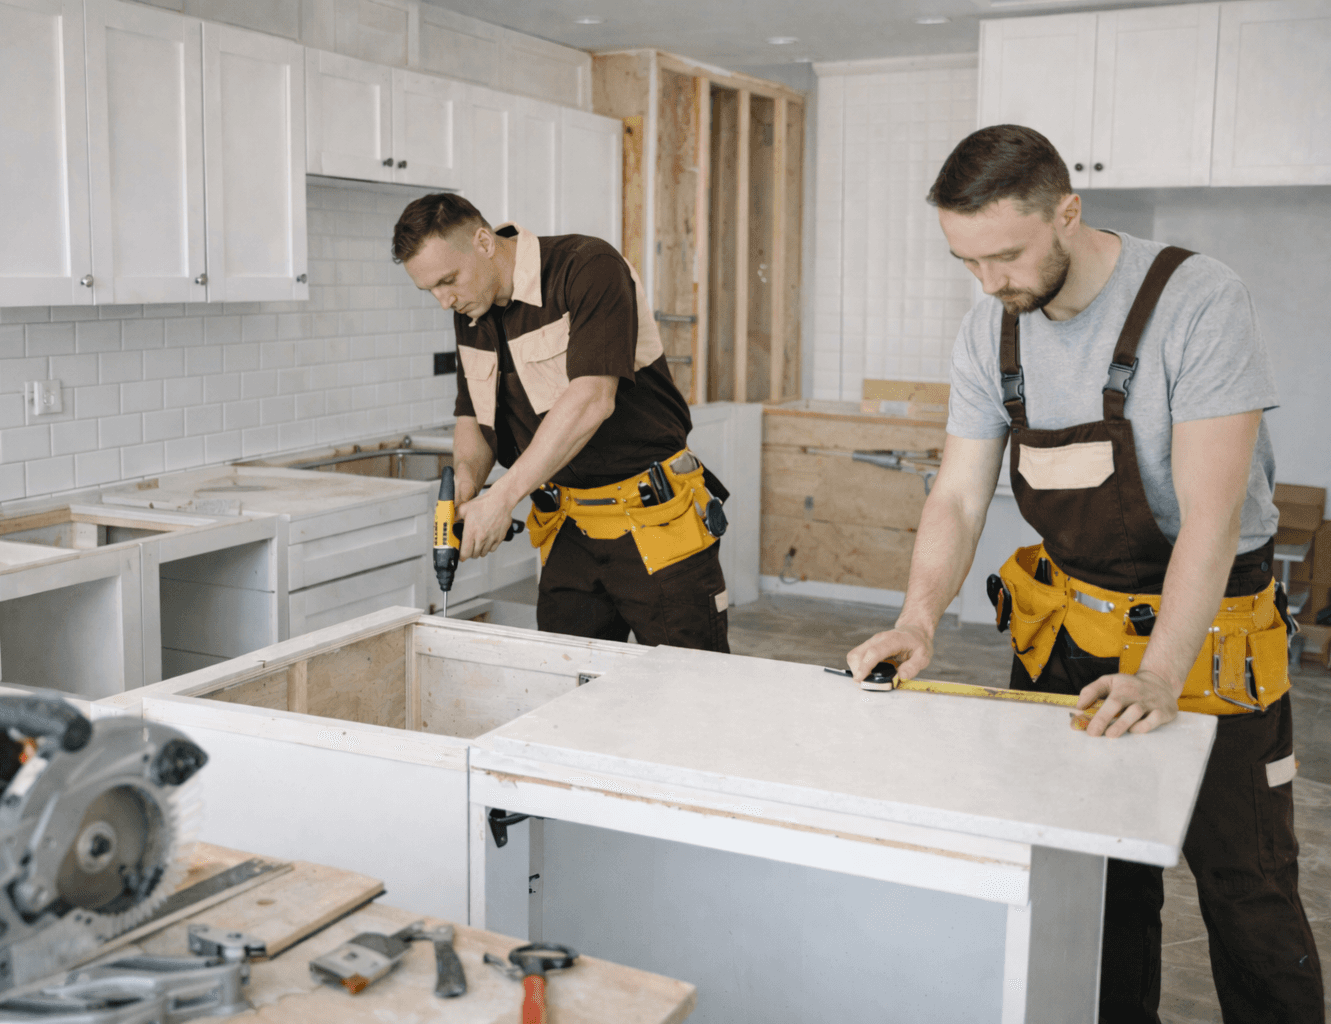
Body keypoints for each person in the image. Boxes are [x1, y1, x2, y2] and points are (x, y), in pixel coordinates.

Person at [845, 125, 1322, 1022]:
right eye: (967, 261)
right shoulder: (995, 327)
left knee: (1248, 894)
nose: (990, 285)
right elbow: (956, 494)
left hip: (1209, 641)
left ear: (1069, 211)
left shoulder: (1198, 300)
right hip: (1069, 634)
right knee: (1091, 890)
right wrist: (918, 620)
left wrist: (1159, 674)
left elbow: (1211, 521)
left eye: (1006, 256)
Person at [392, 193, 731, 651]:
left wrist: (503, 497)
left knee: (687, 695)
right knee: (565, 693)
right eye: (430, 289)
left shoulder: (587, 267)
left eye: (448, 280)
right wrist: (469, 486)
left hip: (655, 521)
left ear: (484, 242)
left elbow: (592, 399)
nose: (442, 300)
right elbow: (473, 413)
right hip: (569, 531)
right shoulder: (471, 309)